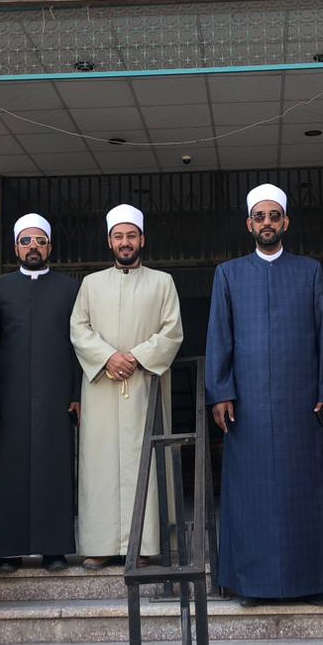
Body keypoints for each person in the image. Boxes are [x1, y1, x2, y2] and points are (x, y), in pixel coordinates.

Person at [206, 184, 323, 607]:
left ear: (286, 222)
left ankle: (311, 582)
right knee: (251, 496)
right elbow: (219, 337)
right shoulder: (229, 274)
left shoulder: (309, 271)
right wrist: (220, 392)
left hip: (302, 403)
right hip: (248, 407)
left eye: (274, 216)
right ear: (249, 224)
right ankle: (251, 584)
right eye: (260, 217)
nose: (267, 223)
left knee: (306, 491)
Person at [70, 204, 184, 568]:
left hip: (144, 385)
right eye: (118, 236)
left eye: (131, 235)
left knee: (145, 460)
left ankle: (146, 544)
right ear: (109, 241)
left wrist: (134, 357)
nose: (125, 242)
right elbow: (78, 329)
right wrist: (107, 358)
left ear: (142, 240)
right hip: (103, 389)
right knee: (100, 465)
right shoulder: (91, 284)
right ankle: (101, 545)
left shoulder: (162, 282)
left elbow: (172, 331)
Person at [0, 213, 80, 573]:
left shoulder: (70, 288)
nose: (33, 247)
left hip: (55, 394)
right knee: (8, 473)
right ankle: (8, 551)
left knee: (55, 469)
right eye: (26, 241)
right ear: (16, 247)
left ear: (50, 247)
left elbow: (79, 345)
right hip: (9, 396)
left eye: (40, 241)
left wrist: (76, 392)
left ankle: (54, 549)